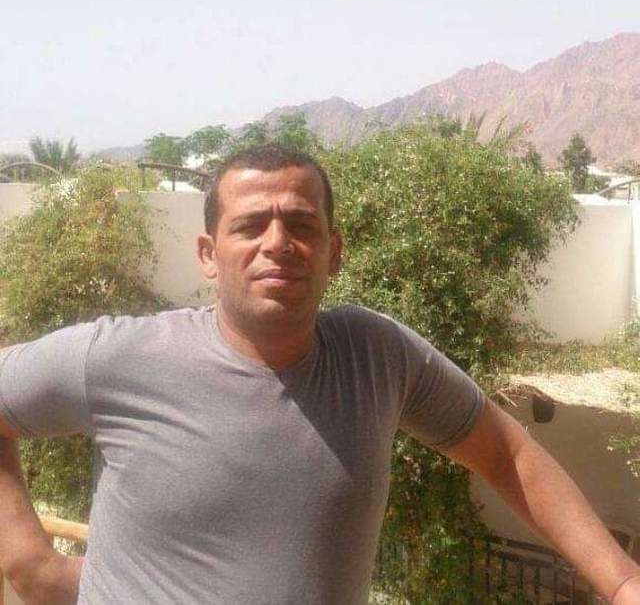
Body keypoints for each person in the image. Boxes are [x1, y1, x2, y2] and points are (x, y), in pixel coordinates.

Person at [0, 145, 638, 605]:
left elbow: (508, 454)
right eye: (250, 225)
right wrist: (29, 562)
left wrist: (622, 582)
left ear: (334, 251)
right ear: (208, 254)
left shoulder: (376, 357)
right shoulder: (120, 358)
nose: (277, 242)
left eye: (302, 225)